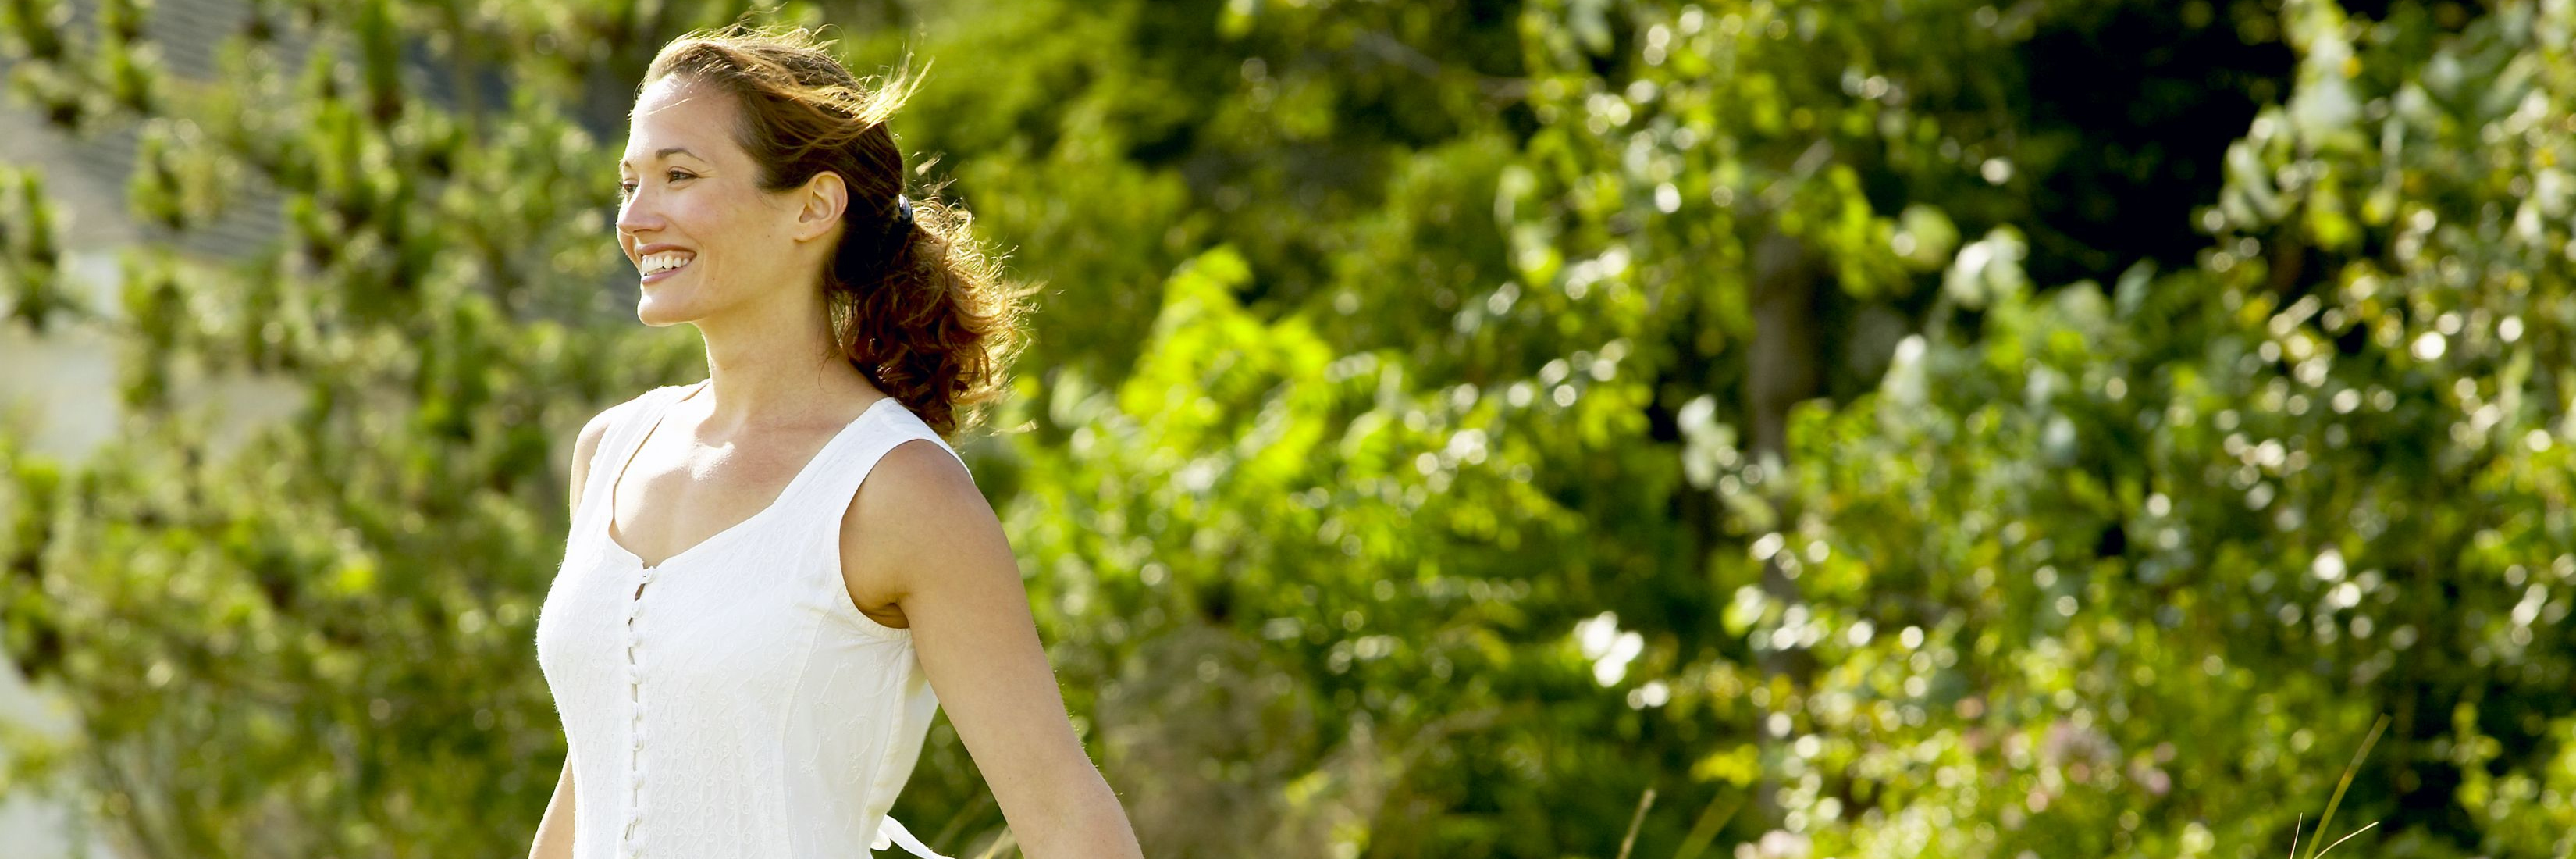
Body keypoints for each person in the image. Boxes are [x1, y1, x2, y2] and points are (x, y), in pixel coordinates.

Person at [528, 24, 1144, 859]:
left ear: (814, 206)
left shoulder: (901, 491)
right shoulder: (610, 450)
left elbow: (1066, 815)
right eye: (630, 182)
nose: (636, 218)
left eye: (680, 176)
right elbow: (599, 766)